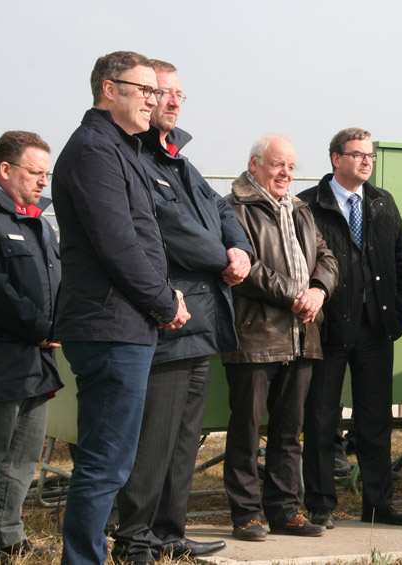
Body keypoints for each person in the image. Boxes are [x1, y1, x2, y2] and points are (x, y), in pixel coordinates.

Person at [52, 51, 190, 565]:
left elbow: (142, 238)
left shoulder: (121, 148)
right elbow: (118, 244)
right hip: (111, 325)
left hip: (125, 322)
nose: (155, 100)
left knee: (109, 458)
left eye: (159, 92)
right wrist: (163, 301)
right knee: (105, 462)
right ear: (110, 89)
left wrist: (163, 295)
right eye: (145, 90)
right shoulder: (94, 150)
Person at [112, 60, 252, 563]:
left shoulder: (181, 162)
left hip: (203, 320)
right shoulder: (135, 159)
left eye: (176, 95)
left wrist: (240, 250)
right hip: (167, 318)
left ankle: (170, 532)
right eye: (160, 93)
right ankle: (134, 537)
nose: (169, 102)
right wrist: (224, 258)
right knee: (156, 435)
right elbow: (169, 227)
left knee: (184, 438)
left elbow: (220, 211)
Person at [299, 128, 402, 529]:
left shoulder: (383, 202)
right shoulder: (309, 205)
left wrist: (397, 315)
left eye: (371, 156)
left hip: (375, 330)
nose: (367, 161)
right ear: (336, 158)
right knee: (320, 417)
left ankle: (377, 503)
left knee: (375, 419)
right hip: (327, 331)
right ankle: (320, 504)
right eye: (358, 154)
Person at [223, 136, 338, 540]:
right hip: (255, 337)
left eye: (290, 165)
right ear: (254, 165)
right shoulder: (233, 208)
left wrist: (319, 290)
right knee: (247, 431)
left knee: (290, 432)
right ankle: (246, 514)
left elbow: (326, 257)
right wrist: (295, 296)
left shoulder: (301, 209)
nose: (286, 173)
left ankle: (285, 509)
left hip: (302, 336)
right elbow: (244, 268)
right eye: (277, 164)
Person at [0, 132, 61, 564]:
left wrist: (59, 324)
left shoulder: (39, 223)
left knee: (24, 455)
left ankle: (9, 530)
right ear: (5, 170)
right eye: (35, 172)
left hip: (36, 358)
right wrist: (42, 326)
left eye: (46, 174)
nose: (42, 182)